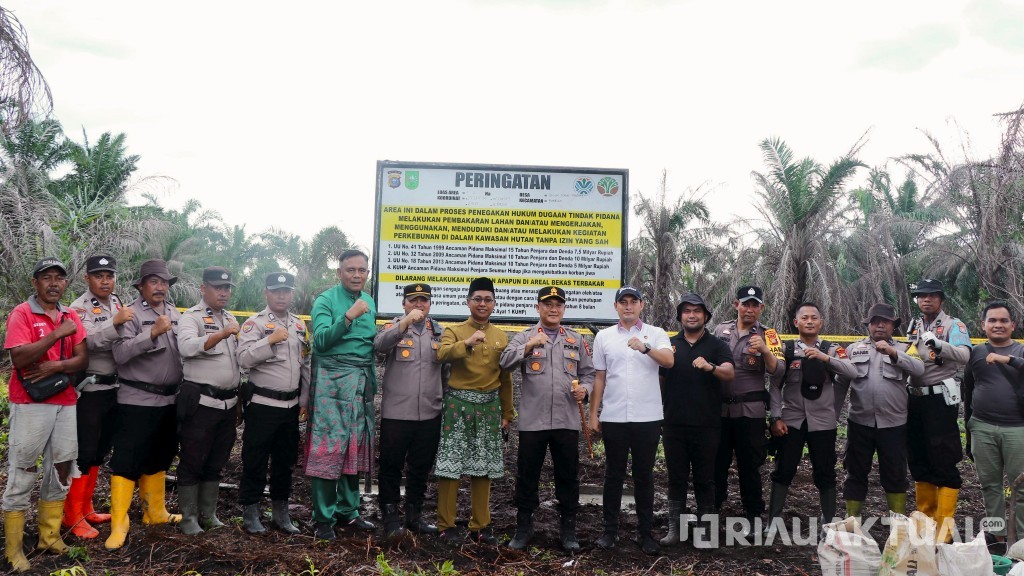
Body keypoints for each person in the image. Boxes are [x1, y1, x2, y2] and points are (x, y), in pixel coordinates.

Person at [3, 257, 88, 572]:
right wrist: (55, 335)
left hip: (65, 401)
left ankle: (48, 537)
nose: (54, 283)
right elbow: (19, 357)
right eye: (47, 277)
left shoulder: (70, 315)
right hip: (30, 403)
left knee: (62, 468)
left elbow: (82, 358)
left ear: (66, 283)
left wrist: (56, 365)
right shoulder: (22, 314)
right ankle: (13, 548)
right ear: (35, 283)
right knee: (23, 471)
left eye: (59, 278)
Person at [500, 286, 595, 552]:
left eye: (558, 305)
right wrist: (529, 347)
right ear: (538, 308)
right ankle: (523, 526)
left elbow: (588, 374)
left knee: (568, 476)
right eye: (547, 304)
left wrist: (585, 390)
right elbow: (505, 363)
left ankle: (568, 529)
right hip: (533, 422)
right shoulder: (525, 336)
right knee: (527, 475)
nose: (553, 309)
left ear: (563, 309)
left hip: (566, 421)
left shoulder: (576, 340)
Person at [588, 285, 674, 555]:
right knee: (613, 475)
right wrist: (593, 413)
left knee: (644, 476)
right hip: (614, 416)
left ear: (641, 305)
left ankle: (645, 533)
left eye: (633, 301)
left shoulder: (656, 333)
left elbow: (669, 361)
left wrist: (645, 347)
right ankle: (609, 531)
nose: (628, 306)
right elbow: (599, 377)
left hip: (647, 417)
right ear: (615, 306)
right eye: (622, 302)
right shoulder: (603, 337)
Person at [106, 259, 183, 550]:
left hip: (169, 398)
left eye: (164, 282)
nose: (160, 287)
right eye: (153, 281)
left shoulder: (176, 314)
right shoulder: (129, 314)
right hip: (137, 399)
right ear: (141, 285)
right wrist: (151, 333)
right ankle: (119, 522)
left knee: (161, 455)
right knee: (127, 461)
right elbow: (120, 354)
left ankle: (155, 512)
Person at [435, 277, 514, 545]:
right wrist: (467, 343)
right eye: (477, 299)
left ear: (494, 304)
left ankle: (480, 524)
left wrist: (507, 413)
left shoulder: (501, 336)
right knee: (450, 467)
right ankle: (446, 524)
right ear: (468, 302)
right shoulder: (454, 331)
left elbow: (506, 378)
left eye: (488, 299)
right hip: (458, 404)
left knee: (484, 468)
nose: (483, 303)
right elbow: (442, 355)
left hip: (489, 407)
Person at [305, 249, 378, 540]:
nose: (357, 275)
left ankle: (349, 511)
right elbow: (320, 341)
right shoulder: (325, 300)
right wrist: (348, 317)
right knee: (329, 447)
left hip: (361, 382)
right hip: (332, 384)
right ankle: (323, 517)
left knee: (354, 446)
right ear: (339, 273)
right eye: (351, 270)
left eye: (362, 270)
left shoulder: (370, 300)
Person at [766, 302, 856, 536]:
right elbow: (775, 385)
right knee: (783, 470)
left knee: (825, 473)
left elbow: (852, 372)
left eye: (814, 318)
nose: (809, 321)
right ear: (795, 323)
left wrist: (825, 359)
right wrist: (775, 417)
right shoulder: (785, 349)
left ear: (821, 322)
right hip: (791, 421)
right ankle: (772, 522)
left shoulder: (832, 349)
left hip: (823, 423)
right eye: (804, 318)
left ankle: (828, 524)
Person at [835, 303, 924, 519]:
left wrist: (893, 352)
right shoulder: (853, 349)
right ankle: (852, 523)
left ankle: (898, 527)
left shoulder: (905, 349)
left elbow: (919, 370)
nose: (880, 325)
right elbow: (840, 385)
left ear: (894, 325)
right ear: (869, 325)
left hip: (894, 425)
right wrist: (831, 418)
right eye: (875, 321)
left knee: (895, 475)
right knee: (855, 473)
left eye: (885, 321)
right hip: (859, 423)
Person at [236, 272, 309, 535]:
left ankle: (281, 513)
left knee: (285, 462)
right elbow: (243, 359)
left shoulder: (299, 326)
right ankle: (250, 511)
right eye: (276, 291)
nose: (281, 295)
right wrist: (269, 341)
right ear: (266, 293)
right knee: (254, 460)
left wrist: (305, 399)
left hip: (290, 407)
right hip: (263, 404)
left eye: (286, 291)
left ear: (292, 293)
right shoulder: (254, 325)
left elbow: (306, 364)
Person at [659, 293, 734, 548]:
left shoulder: (717, 345)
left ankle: (706, 530)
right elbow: (659, 380)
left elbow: (729, 373)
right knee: (676, 478)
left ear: (706, 316)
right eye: (687, 311)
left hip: (707, 425)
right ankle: (675, 529)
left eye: (697, 311)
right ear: (680, 316)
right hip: (673, 424)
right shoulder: (669, 345)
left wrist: (710, 367)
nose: (692, 315)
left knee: (706, 478)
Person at [374, 283, 447, 538]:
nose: (419, 305)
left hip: (429, 412)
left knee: (420, 467)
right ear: (404, 303)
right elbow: (380, 346)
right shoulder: (393, 327)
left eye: (424, 300)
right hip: (397, 413)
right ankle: (390, 516)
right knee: (391, 466)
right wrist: (404, 323)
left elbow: (445, 371)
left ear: (429, 304)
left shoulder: (437, 332)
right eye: (413, 300)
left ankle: (414, 516)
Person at [62, 255, 128, 539]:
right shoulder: (79, 307)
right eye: (99, 275)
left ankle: (87, 508)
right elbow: (87, 342)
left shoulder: (117, 303)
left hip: (114, 389)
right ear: (86, 278)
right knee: (84, 453)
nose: (105, 281)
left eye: (109, 275)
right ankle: (71, 516)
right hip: (89, 390)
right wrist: (114, 325)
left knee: (100, 451)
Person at [712, 286, 784, 533]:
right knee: (716, 463)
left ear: (761, 308)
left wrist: (764, 349)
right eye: (746, 304)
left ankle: (753, 515)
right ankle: (712, 510)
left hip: (750, 413)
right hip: (719, 412)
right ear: (736, 305)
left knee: (750, 466)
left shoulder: (770, 335)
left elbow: (778, 371)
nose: (750, 309)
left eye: (755, 305)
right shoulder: (720, 330)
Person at [176, 266, 241, 535]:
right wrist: (221, 334)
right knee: (192, 459)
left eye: (227, 288)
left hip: (228, 404)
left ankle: (209, 514)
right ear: (203, 288)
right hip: (201, 403)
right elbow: (187, 347)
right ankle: (189, 517)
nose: (223, 292)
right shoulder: (192, 317)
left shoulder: (231, 318)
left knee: (217, 460)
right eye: (218, 287)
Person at [905, 279, 971, 542]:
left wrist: (940, 345)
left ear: (941, 299)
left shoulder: (954, 325)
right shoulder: (915, 324)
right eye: (921, 296)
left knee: (943, 459)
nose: (926, 300)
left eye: (931, 296)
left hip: (940, 399)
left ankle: (944, 530)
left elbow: (965, 355)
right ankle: (926, 522)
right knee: (919, 459)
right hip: (915, 399)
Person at [963, 301, 1024, 548]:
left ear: (1013, 325)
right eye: (992, 320)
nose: (998, 325)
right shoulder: (976, 353)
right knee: (990, 486)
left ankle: (1020, 541)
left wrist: (1005, 359)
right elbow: (968, 389)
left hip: (1018, 430)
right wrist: (969, 431)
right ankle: (996, 538)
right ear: (983, 325)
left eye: (1003, 320)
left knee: (1021, 488)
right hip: (982, 427)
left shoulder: (1020, 352)